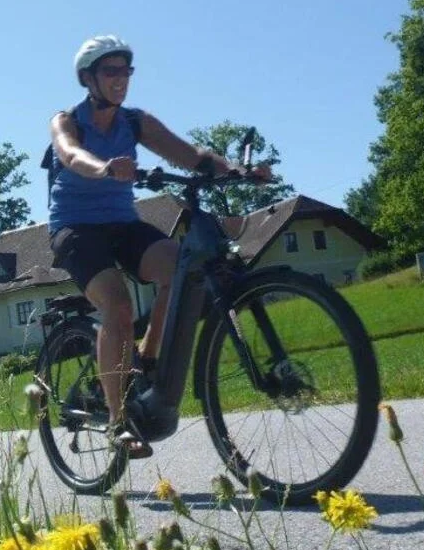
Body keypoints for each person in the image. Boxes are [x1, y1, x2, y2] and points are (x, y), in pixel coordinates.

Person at [47, 35, 271, 457]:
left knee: (183, 269)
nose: (120, 79)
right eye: (110, 71)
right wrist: (105, 167)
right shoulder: (68, 120)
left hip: (122, 223)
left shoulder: (135, 122)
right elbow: (71, 155)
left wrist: (237, 170)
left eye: (126, 70)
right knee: (118, 306)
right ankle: (118, 424)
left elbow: (193, 156)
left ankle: (146, 361)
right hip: (75, 228)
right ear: (88, 78)